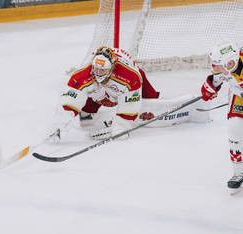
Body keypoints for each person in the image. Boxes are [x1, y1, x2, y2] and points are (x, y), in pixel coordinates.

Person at [49, 46, 210, 142]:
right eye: (96, 69)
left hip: (126, 83)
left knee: (150, 102)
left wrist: (121, 126)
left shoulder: (130, 76)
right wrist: (62, 120)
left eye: (102, 70)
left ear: (112, 68)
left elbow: (130, 105)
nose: (98, 72)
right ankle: (91, 109)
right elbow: (71, 98)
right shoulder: (83, 75)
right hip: (101, 91)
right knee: (87, 110)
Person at [201, 40, 243, 191]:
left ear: (230, 63)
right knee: (234, 128)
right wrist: (210, 87)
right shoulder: (225, 70)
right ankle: (238, 173)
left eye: (216, 64)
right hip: (239, 96)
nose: (213, 68)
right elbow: (209, 88)